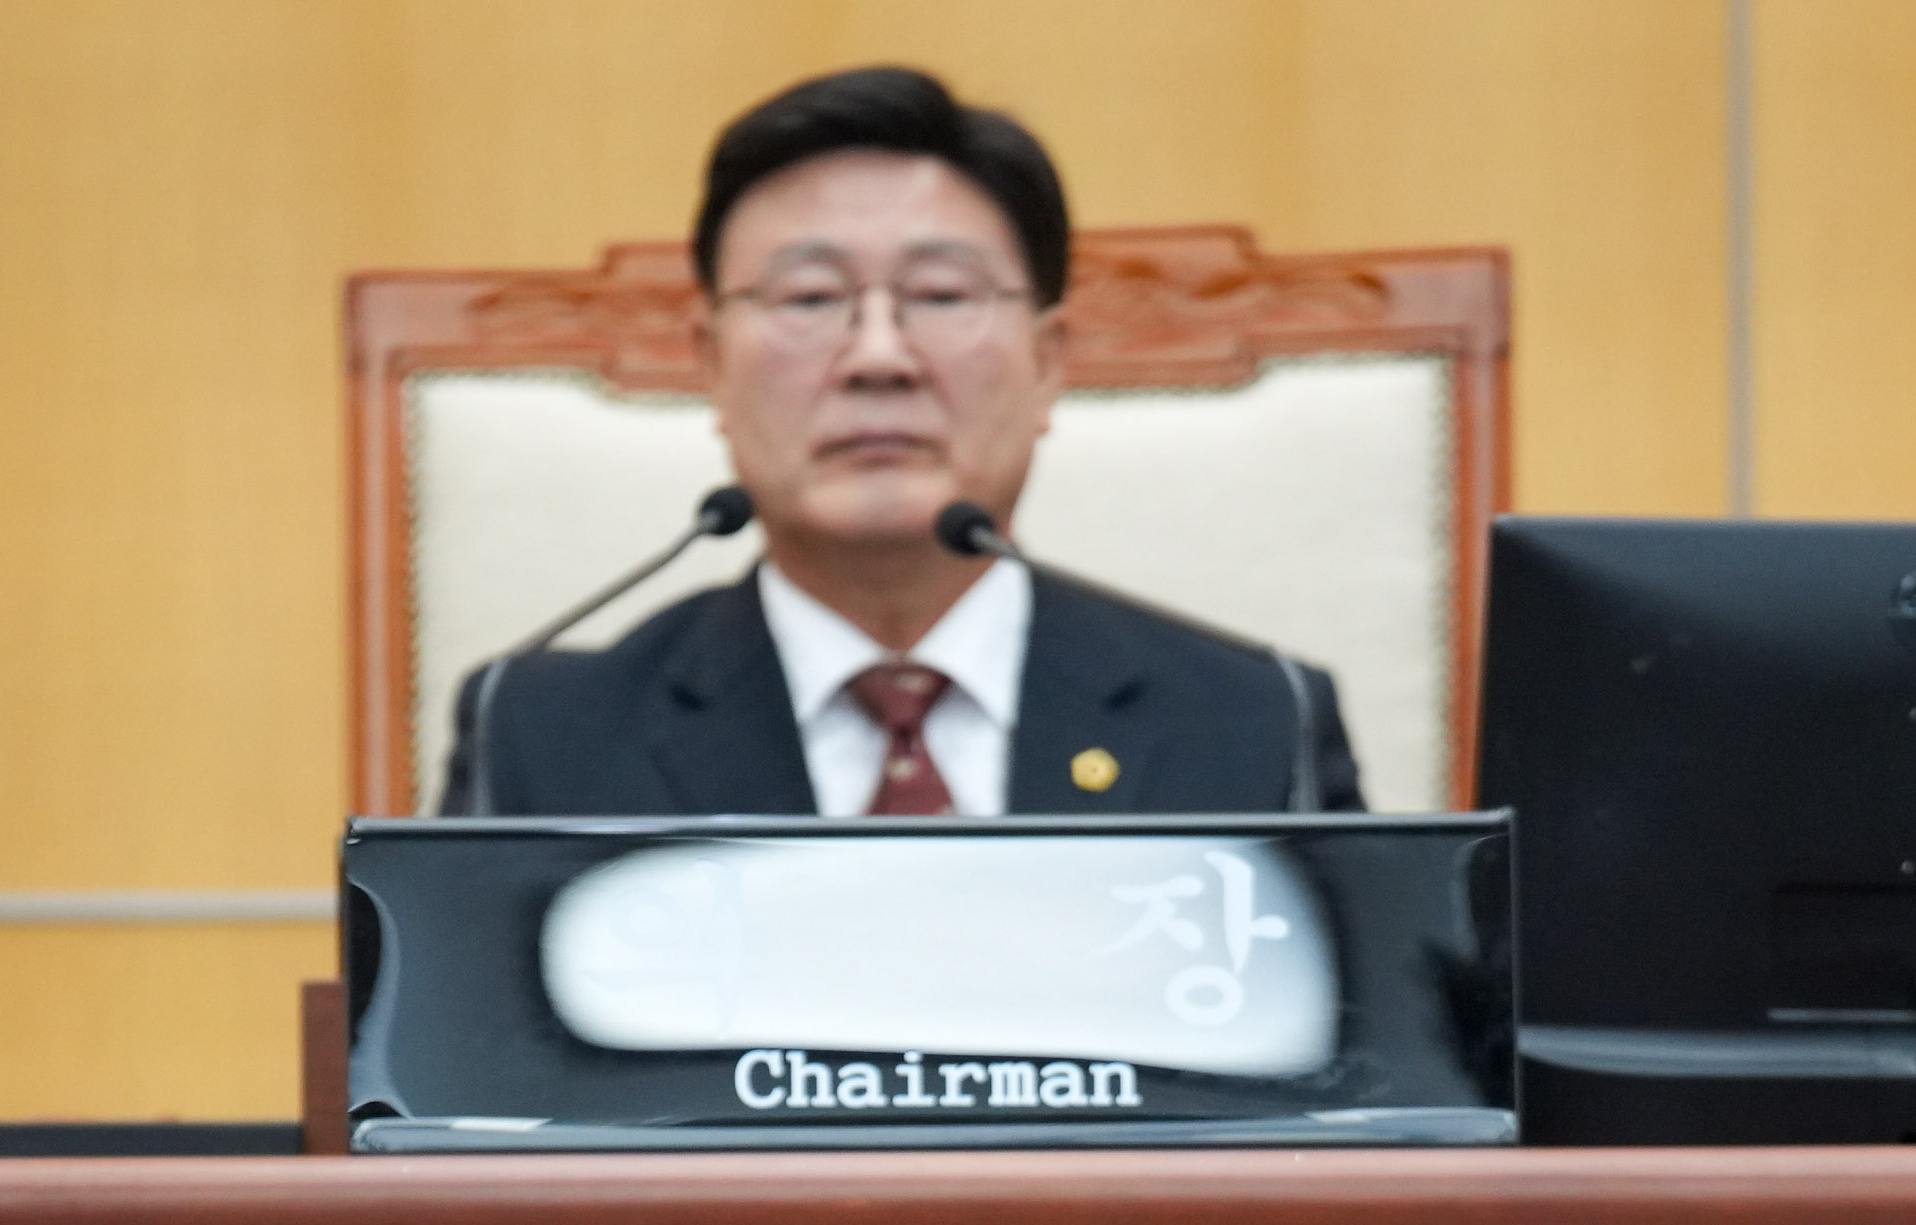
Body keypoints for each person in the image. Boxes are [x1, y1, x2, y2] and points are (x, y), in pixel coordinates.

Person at [442, 67, 1368, 822]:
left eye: (941, 296)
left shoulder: (1249, 721)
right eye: (809, 300)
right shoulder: (543, 737)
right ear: (710, 365)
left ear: (1049, 364)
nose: (879, 358)